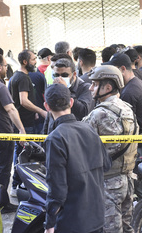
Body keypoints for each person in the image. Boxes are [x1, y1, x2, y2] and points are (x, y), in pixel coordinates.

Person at [43, 83, 111, 233]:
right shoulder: (89, 129)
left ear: (47, 106)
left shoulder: (55, 138)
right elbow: (106, 165)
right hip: (97, 216)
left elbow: (57, 189)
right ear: (71, 102)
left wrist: (49, 224)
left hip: (72, 221)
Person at [82, 65, 138, 233]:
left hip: (108, 182)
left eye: (94, 84)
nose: (91, 88)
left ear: (107, 87)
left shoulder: (99, 114)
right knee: (127, 227)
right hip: (127, 180)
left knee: (110, 229)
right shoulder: (127, 108)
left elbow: (83, 145)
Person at [0, 54, 26, 213]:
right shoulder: (0, 87)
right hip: (3, 133)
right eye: (4, 66)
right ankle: (1, 203)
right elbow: (11, 109)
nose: (6, 69)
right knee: (4, 170)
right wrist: (21, 129)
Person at [9, 49, 47, 196]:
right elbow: (23, 101)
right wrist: (41, 111)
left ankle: (17, 185)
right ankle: (16, 185)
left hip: (26, 121)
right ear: (25, 62)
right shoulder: (23, 78)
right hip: (25, 124)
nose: (35, 61)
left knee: (22, 154)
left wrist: (34, 112)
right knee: (24, 155)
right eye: (32, 59)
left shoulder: (17, 76)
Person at [107, 53, 142, 135]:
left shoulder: (129, 91)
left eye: (113, 70)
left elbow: (126, 126)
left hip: (138, 141)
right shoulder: (137, 83)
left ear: (123, 69)